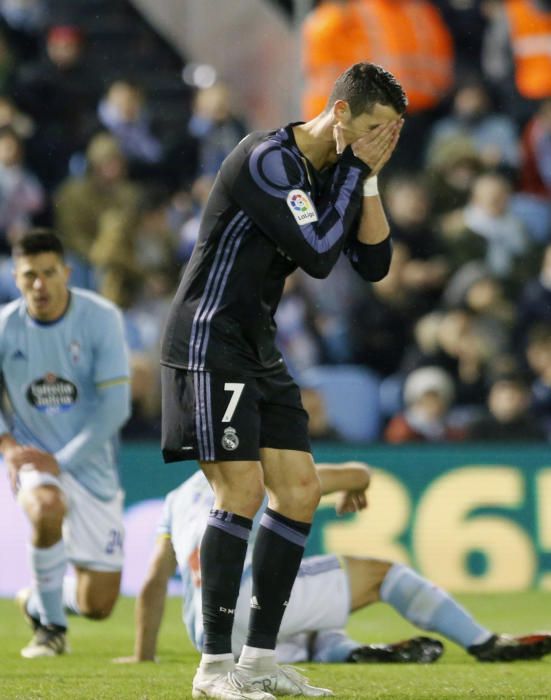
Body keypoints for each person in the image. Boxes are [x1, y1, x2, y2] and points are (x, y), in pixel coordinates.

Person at [160, 61, 406, 699]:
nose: (382, 142)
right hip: (209, 337)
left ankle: (258, 661)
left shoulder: (338, 173)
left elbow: (374, 263)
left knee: (296, 491)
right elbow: (320, 255)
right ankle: (215, 668)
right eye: (376, 129)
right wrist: (356, 172)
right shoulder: (269, 160)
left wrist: (368, 179)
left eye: (393, 135)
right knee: (240, 490)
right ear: (343, 113)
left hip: (257, 344)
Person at [114, 462, 551, 667]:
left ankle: (346, 652)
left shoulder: (175, 498)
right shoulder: (255, 471)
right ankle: (484, 643)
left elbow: (154, 579)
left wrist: (143, 655)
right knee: (385, 576)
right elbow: (357, 473)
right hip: (247, 602)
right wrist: (350, 486)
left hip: (207, 634)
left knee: (295, 614)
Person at [0, 230, 131, 658]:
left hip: (90, 463)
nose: (39, 285)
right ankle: (51, 630)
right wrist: (8, 447)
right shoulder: (4, 328)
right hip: (33, 456)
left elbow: (115, 407)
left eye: (48, 273)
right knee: (46, 507)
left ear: (66, 273)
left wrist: (63, 460)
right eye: (29, 276)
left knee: (99, 605)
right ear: (16, 278)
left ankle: (38, 599)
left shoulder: (100, 317)